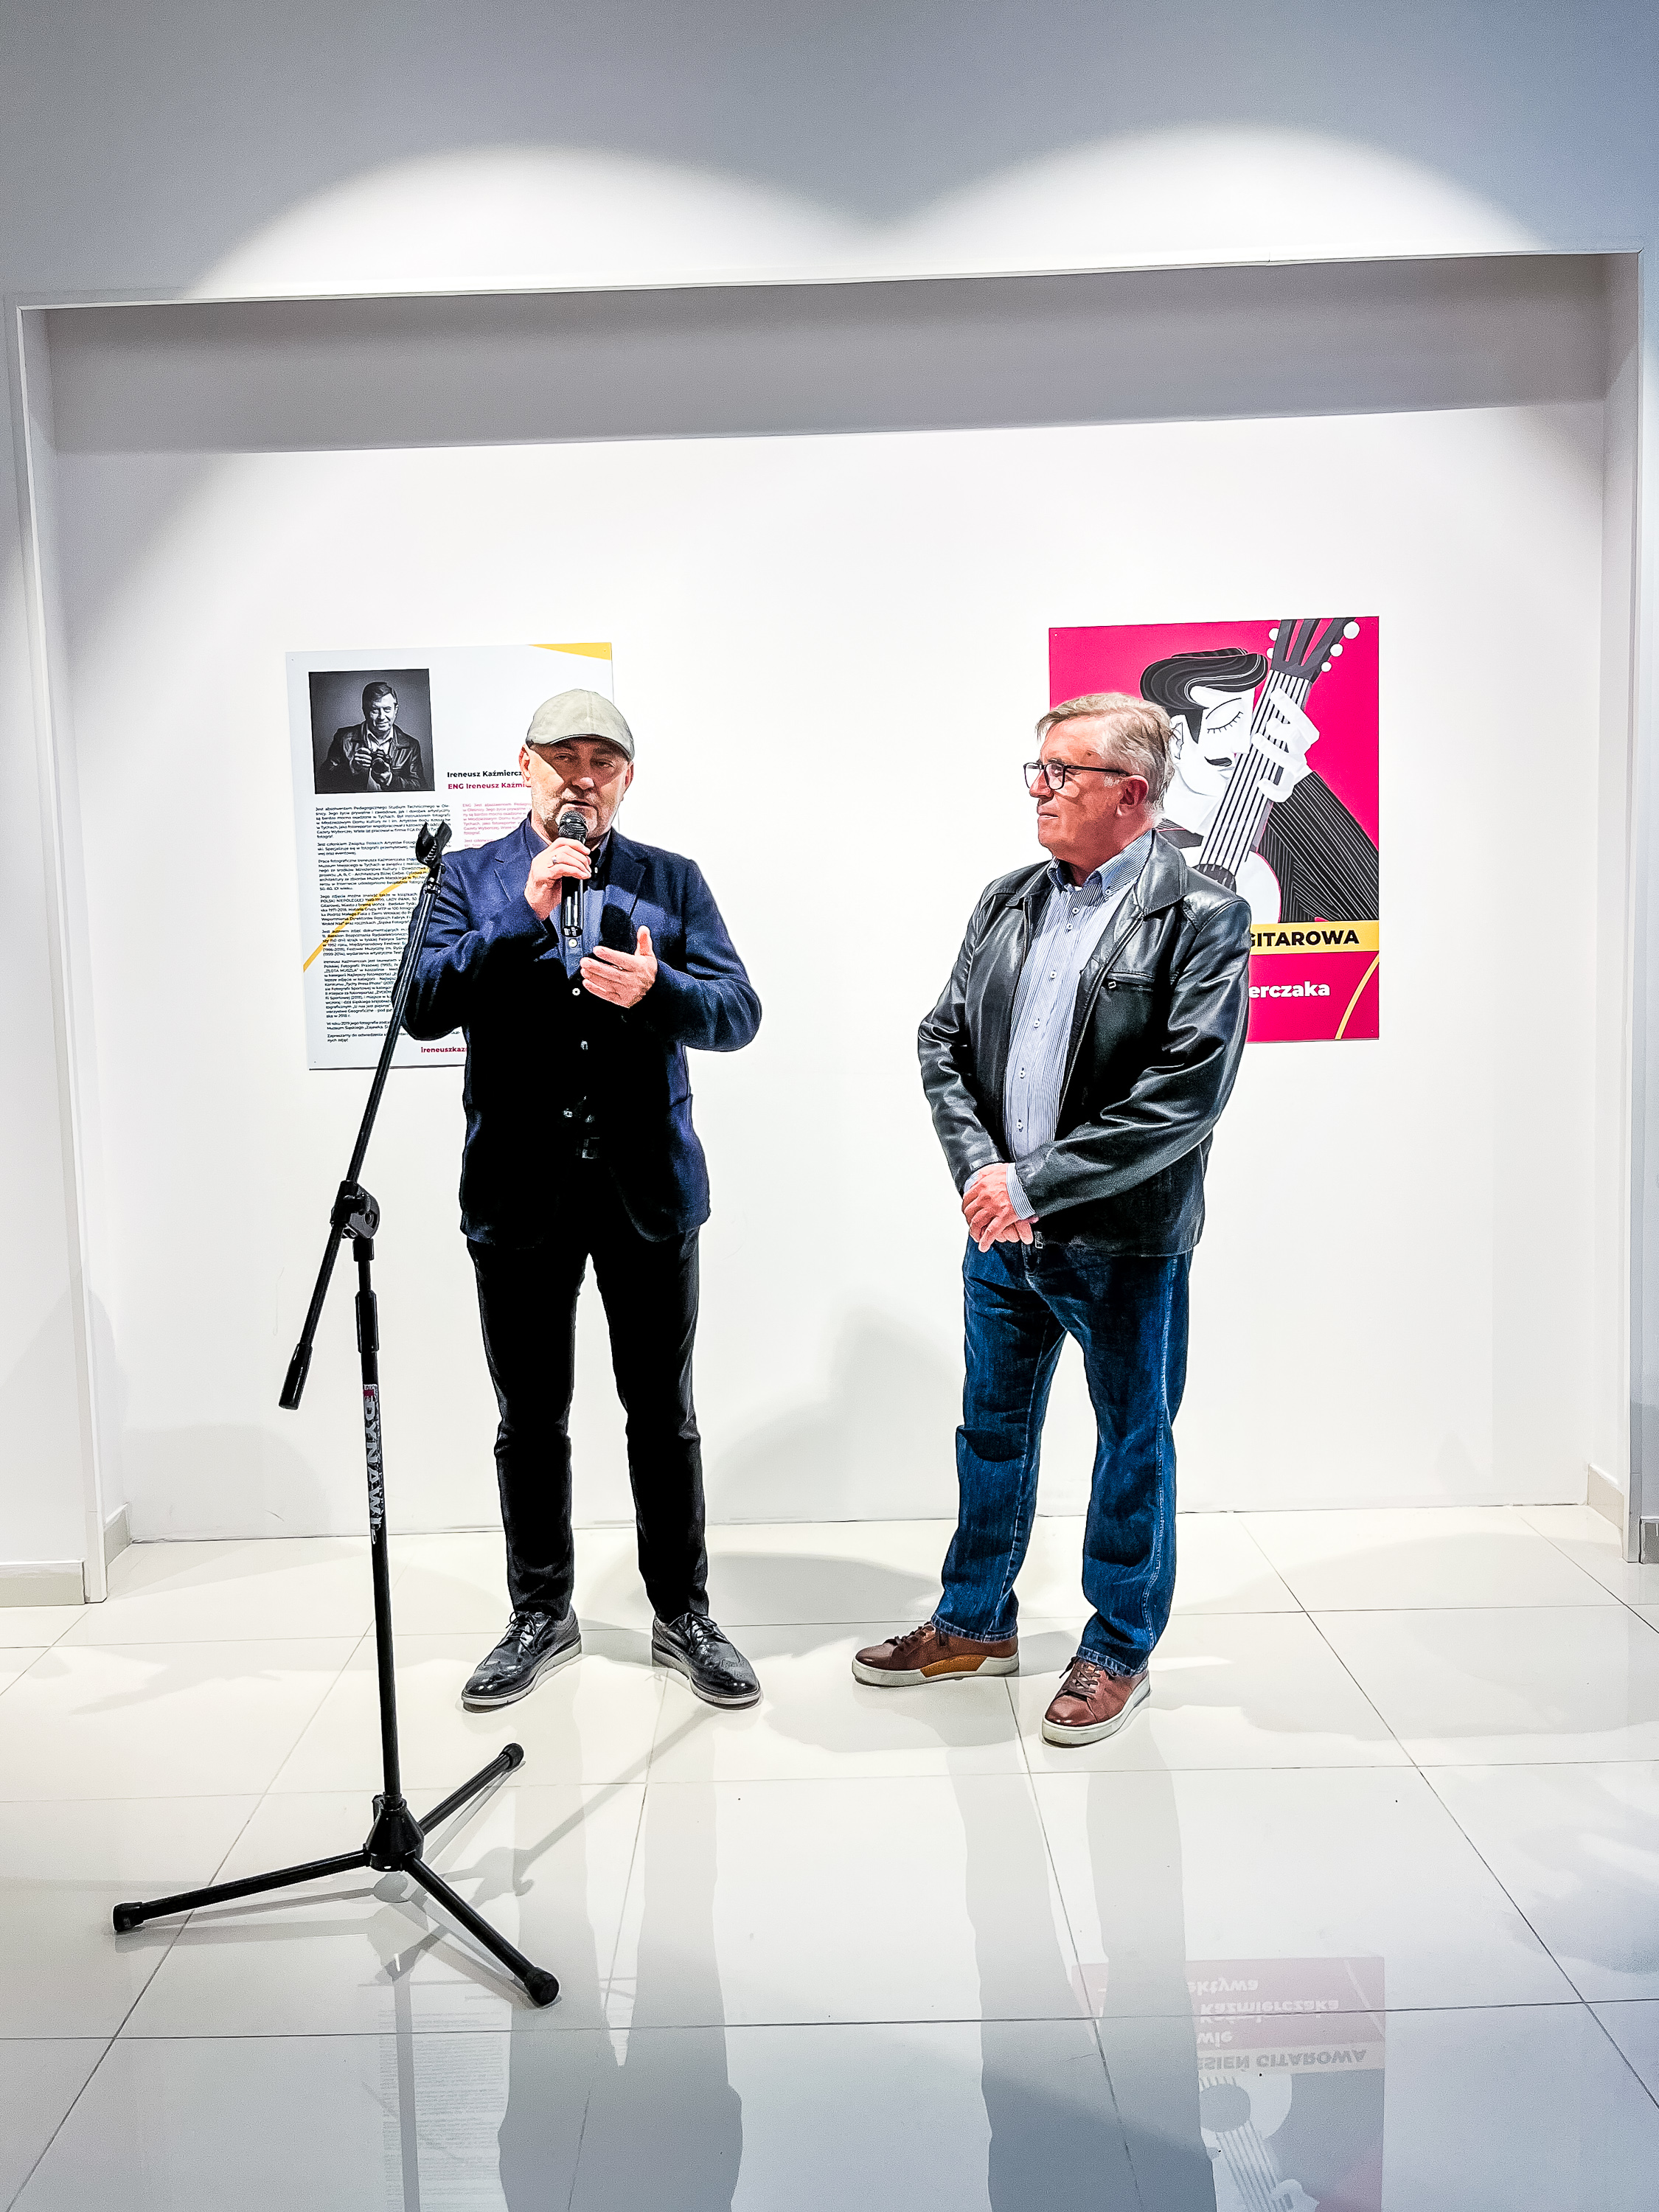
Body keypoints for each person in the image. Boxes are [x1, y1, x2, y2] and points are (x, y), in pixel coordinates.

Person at [853, 692, 1251, 1745]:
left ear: (1132, 793)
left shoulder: (1202, 914)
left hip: (1125, 1242)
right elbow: (942, 1039)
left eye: (1062, 771)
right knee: (991, 1433)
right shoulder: (1008, 899)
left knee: (1131, 1444)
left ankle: (1118, 1648)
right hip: (1002, 1237)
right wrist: (983, 1174)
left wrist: (1036, 1183)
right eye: (1037, 768)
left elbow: (1185, 1095)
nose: (1039, 788)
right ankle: (973, 1621)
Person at [403, 688, 763, 1711]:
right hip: (517, 1193)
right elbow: (420, 1006)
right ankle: (540, 1612)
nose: (583, 777)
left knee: (663, 1415)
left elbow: (738, 1012)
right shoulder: (469, 878)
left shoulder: (671, 880)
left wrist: (660, 994)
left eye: (603, 761)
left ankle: (682, 1614)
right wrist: (517, 917)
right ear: (525, 767)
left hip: (648, 1192)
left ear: (627, 779)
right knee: (529, 1418)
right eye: (563, 757)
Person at [1140, 645, 1377, 924]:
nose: (1245, 746)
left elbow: (1374, 913)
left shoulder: (1281, 838)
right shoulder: (1132, 845)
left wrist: (1298, 779)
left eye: (1251, 724)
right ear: (1177, 739)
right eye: (1226, 722)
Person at [317, 680, 428, 793]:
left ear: (395, 710)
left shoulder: (411, 746)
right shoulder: (344, 738)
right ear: (365, 711)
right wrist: (352, 767)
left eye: (387, 709)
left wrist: (391, 780)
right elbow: (323, 781)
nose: (382, 717)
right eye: (375, 710)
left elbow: (420, 787)